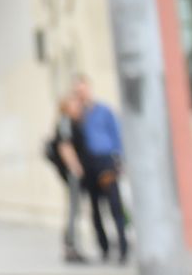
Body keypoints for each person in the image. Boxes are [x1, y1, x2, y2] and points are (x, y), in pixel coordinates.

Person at [74, 74, 130, 262]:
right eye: (77, 91)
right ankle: (104, 247)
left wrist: (118, 160)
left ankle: (123, 246)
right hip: (87, 165)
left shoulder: (104, 110)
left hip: (105, 161)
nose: (81, 94)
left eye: (83, 89)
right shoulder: (77, 115)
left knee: (114, 204)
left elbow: (116, 135)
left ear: (89, 89)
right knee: (95, 209)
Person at [45, 92, 90, 263]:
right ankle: (71, 247)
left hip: (74, 173)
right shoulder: (65, 122)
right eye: (74, 104)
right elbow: (65, 146)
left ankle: (73, 246)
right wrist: (76, 168)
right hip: (73, 174)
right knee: (73, 210)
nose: (78, 107)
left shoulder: (73, 122)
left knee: (76, 210)